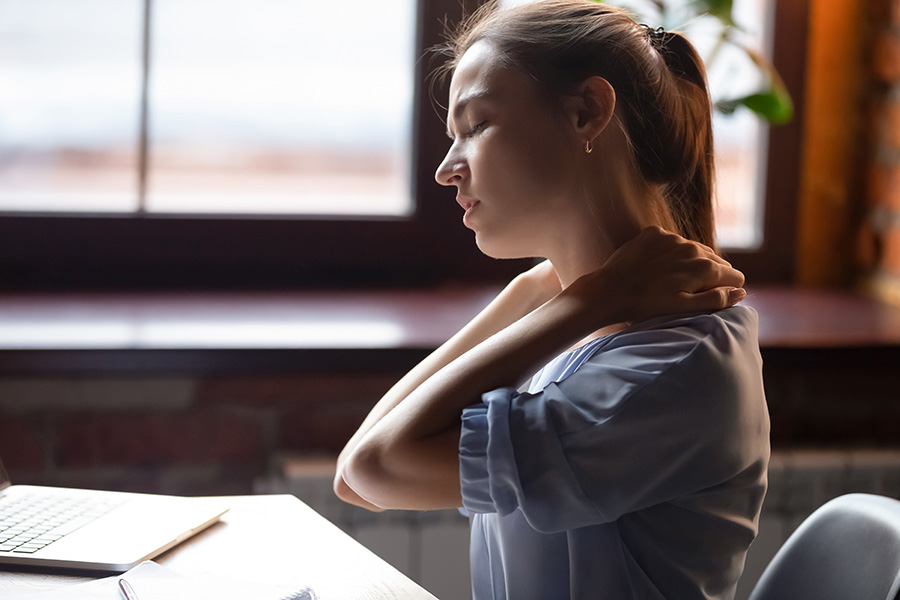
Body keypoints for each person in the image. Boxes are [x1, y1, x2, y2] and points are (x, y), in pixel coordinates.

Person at [334, 1, 770, 598]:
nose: (444, 170)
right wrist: (545, 289)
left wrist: (590, 298)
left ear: (587, 112)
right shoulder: (582, 324)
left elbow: (374, 467)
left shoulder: (673, 366)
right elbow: (353, 479)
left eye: (477, 125)